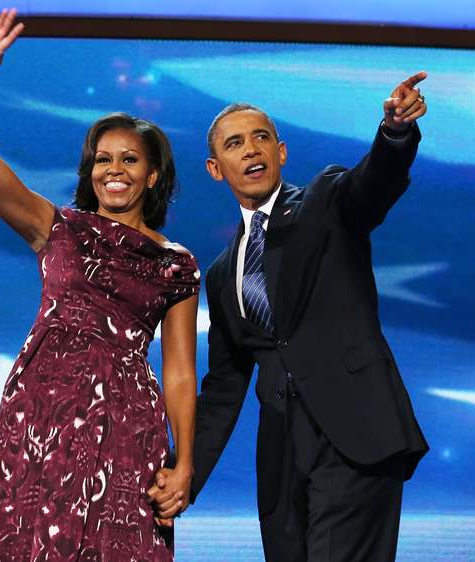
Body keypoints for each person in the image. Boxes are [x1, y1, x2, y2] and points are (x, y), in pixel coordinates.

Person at [0, 10, 200, 560]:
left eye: (129, 159)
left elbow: (182, 372)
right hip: (40, 412)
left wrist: (183, 460)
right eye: (101, 158)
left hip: (127, 422)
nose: (113, 170)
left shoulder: (177, 264)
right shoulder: (57, 227)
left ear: (153, 174)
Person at [165, 74, 430, 560]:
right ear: (215, 168)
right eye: (235, 143)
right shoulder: (224, 273)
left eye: (261, 137)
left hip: (356, 436)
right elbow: (224, 388)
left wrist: (394, 133)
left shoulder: (325, 201)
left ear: (281, 153)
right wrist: (183, 474)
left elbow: (374, 182)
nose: (251, 150)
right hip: (284, 457)